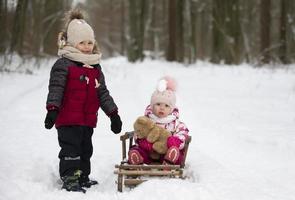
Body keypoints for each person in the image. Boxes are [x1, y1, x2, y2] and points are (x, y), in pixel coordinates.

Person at [44, 10, 122, 193]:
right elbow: (56, 88)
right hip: (68, 120)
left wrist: (113, 114)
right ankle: (70, 177)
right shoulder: (64, 64)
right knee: (71, 150)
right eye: (82, 43)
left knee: (86, 150)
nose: (87, 47)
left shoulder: (95, 67)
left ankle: (82, 175)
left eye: (89, 42)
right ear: (72, 43)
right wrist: (53, 109)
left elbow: (102, 92)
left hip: (87, 120)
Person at [128, 76, 189, 165]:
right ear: (152, 106)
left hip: (165, 151)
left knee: (177, 153)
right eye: (158, 104)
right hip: (149, 151)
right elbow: (138, 132)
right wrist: (143, 142)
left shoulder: (176, 123)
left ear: (172, 109)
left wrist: (174, 141)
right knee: (137, 149)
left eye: (166, 106)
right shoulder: (147, 119)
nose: (161, 108)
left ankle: (170, 160)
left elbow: (183, 134)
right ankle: (137, 157)